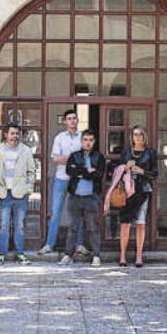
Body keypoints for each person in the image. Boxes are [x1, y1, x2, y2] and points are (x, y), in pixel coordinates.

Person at [40, 109, 87, 256]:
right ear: (65, 121)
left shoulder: (83, 137)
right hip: (61, 178)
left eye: (74, 118)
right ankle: (49, 244)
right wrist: (74, 159)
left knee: (79, 212)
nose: (72, 121)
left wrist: (69, 159)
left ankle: (79, 245)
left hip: (78, 179)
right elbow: (55, 158)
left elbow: (86, 157)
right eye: (69, 119)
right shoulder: (60, 137)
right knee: (56, 212)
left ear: (77, 120)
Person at [0, 123, 36, 266]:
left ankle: (20, 253)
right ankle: (1, 254)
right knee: (3, 225)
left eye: (17, 134)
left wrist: (29, 188)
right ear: (6, 135)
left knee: (19, 225)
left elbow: (31, 171)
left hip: (20, 193)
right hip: (4, 193)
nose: (15, 136)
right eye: (12, 133)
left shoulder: (26, 151)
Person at [59, 130, 105, 267]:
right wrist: (86, 171)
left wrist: (80, 172)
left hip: (91, 197)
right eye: (85, 139)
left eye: (91, 140)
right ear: (81, 141)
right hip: (75, 197)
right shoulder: (74, 156)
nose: (88, 142)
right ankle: (68, 254)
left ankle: (96, 256)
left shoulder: (99, 157)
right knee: (72, 227)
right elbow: (70, 171)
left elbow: (99, 174)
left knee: (93, 228)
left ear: (94, 142)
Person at [118, 126, 158, 268]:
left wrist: (142, 171)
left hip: (143, 191)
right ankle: (122, 255)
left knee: (140, 223)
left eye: (140, 134)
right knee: (125, 223)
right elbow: (117, 171)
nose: (138, 137)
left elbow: (155, 174)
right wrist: (125, 168)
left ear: (144, 136)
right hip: (128, 191)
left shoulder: (150, 153)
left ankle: (139, 256)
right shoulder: (126, 152)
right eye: (135, 134)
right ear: (132, 137)